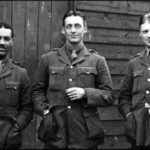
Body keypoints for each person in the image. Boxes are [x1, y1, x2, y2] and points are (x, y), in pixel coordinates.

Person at [32, 10, 113, 149]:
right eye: (69, 26)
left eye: (77, 26)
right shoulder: (48, 59)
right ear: (63, 30)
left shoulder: (97, 60)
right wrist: (45, 111)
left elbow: (109, 95)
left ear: (85, 29)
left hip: (85, 135)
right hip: (55, 133)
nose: (73, 30)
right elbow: (36, 92)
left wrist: (85, 93)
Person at [118, 12, 150, 148]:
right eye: (146, 31)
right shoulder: (134, 63)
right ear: (140, 33)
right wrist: (130, 116)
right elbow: (123, 97)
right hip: (140, 134)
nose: (149, 35)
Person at [0, 22, 33, 149]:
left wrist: (16, 127)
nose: (2, 42)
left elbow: (27, 108)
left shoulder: (20, 73)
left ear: (12, 42)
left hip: (8, 140)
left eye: (6, 39)